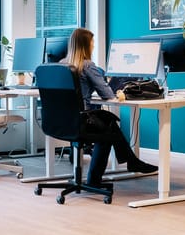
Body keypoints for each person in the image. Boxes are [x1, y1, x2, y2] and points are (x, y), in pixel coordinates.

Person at [63, 27, 157, 187]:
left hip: (63, 122)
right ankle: (100, 177)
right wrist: (120, 93)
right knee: (107, 131)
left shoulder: (61, 66)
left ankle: (131, 162)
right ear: (86, 45)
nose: (93, 45)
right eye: (92, 42)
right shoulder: (87, 66)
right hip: (81, 121)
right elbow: (107, 95)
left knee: (109, 125)